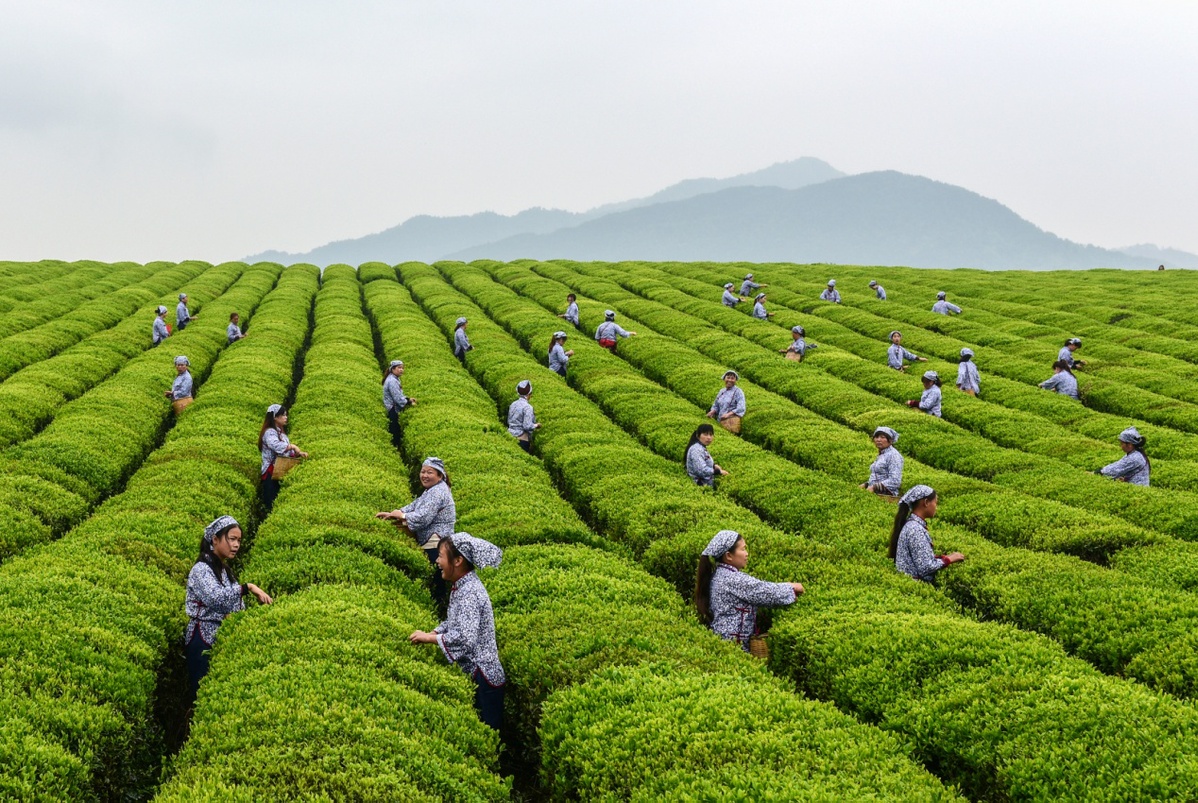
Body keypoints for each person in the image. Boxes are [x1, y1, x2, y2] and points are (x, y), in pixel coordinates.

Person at [408, 532, 505, 729]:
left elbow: (464, 638)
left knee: (486, 732)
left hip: (483, 677)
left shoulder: (469, 592)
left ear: (458, 560)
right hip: (478, 675)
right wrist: (436, 632)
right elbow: (455, 621)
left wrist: (429, 638)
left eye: (441, 556)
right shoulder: (462, 586)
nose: (437, 560)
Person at [184, 515, 272, 706]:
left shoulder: (224, 570)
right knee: (202, 696)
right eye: (231, 539)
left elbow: (234, 605)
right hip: (202, 639)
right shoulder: (201, 570)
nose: (236, 545)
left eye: (239, 540)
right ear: (215, 540)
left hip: (221, 637)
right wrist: (248, 587)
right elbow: (216, 599)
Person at [694, 530, 803, 651]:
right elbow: (764, 592)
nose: (746, 554)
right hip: (733, 646)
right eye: (743, 549)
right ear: (728, 556)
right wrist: (791, 588)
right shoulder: (732, 579)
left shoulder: (719, 574)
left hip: (723, 641)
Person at [376, 456, 456, 609]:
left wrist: (402, 516)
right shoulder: (432, 490)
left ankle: (437, 609)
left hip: (436, 542)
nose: (425, 475)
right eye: (423, 471)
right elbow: (415, 505)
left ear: (440, 475)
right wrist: (397, 512)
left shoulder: (438, 492)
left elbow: (423, 517)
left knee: (436, 583)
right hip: (433, 541)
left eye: (430, 472)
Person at [889, 485, 964, 582]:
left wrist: (944, 557)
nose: (936, 507)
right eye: (935, 502)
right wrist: (949, 559)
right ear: (926, 502)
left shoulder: (912, 525)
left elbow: (920, 558)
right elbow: (925, 567)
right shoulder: (914, 529)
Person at [259, 403, 307, 511]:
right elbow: (276, 446)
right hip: (271, 473)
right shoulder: (269, 432)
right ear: (275, 417)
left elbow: (286, 452)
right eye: (283, 415)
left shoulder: (281, 433)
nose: (286, 417)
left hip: (280, 471)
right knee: (271, 503)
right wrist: (293, 446)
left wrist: (298, 454)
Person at [860, 426, 903, 497]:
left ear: (890, 440)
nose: (878, 440)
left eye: (882, 437)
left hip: (886, 496)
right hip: (875, 494)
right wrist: (866, 484)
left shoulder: (894, 455)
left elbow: (895, 481)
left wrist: (874, 487)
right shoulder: (882, 454)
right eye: (876, 437)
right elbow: (879, 476)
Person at [383, 360, 415, 448]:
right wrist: (408, 402)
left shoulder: (394, 378)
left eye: (402, 368)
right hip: (392, 408)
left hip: (393, 406)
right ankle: (395, 448)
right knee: (395, 432)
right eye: (399, 368)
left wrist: (408, 399)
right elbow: (397, 398)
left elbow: (399, 395)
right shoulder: (392, 381)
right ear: (393, 369)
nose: (401, 370)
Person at [507, 380, 540, 453]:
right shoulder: (528, 407)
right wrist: (536, 425)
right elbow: (527, 426)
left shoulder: (513, 404)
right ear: (529, 394)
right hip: (521, 439)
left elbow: (509, 420)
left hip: (509, 436)